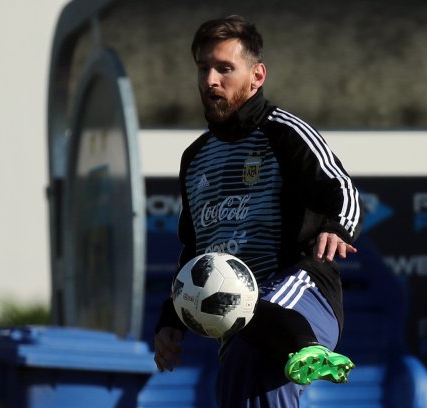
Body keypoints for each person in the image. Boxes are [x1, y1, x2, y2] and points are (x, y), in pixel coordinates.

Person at [153, 15, 364, 407]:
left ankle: (304, 346)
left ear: (257, 75)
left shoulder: (285, 132)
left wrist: (338, 228)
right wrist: (171, 318)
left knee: (254, 334)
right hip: (237, 318)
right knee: (240, 384)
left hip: (299, 289)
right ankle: (294, 351)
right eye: (204, 68)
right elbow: (194, 252)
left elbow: (342, 188)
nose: (210, 80)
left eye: (224, 68)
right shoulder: (195, 157)